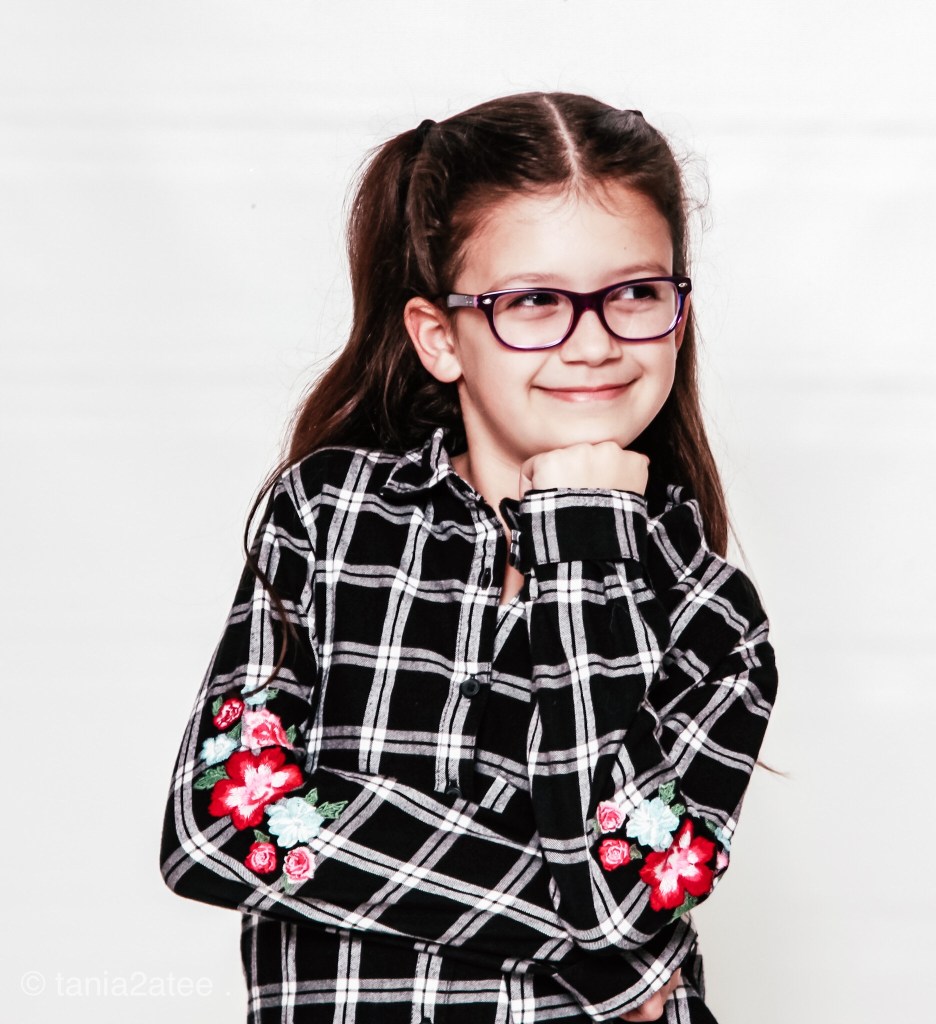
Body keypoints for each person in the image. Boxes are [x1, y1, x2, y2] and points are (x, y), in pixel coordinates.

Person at [159, 91, 778, 1024]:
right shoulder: (331, 518)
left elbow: (618, 895)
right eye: (534, 301)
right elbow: (220, 822)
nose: (595, 342)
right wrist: (609, 966)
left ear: (678, 315)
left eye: (636, 293)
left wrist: (578, 532)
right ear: (441, 337)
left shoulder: (712, 613)